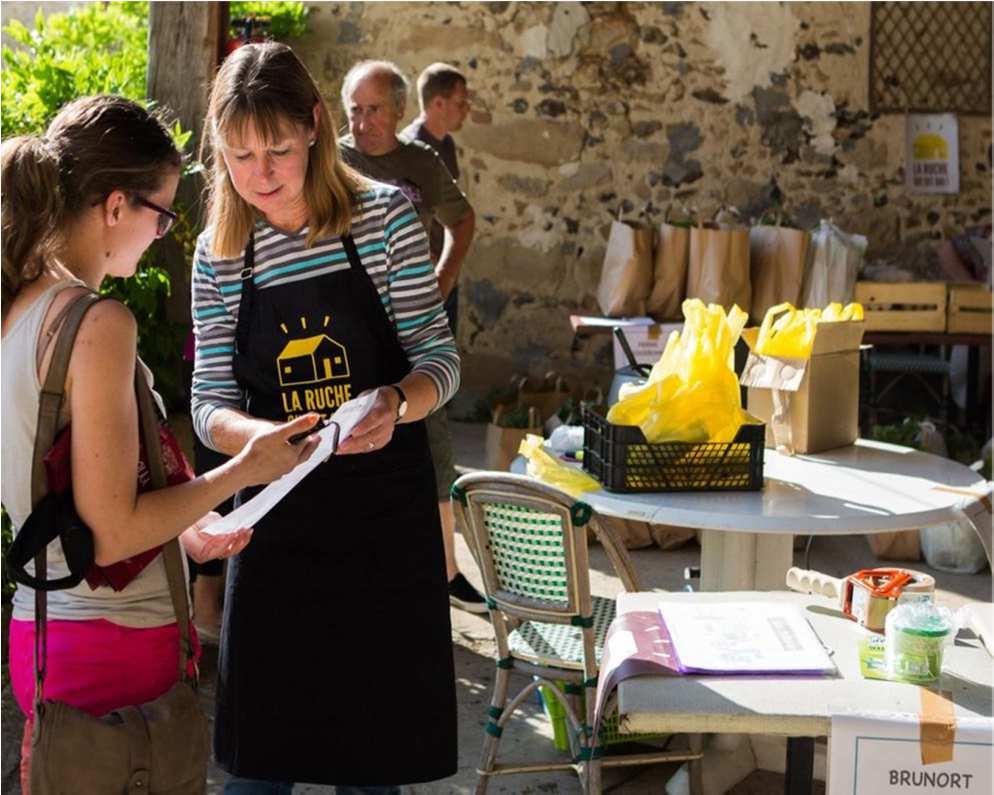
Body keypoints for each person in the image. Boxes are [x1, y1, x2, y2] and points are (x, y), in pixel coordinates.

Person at [0, 95, 317, 792]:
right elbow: (111, 534)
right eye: (163, 214)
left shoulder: (18, 306)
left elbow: (71, 502)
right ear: (115, 206)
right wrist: (243, 470)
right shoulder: (97, 321)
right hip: (115, 644)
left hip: (46, 630)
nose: (163, 235)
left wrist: (186, 530)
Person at [192, 43, 459, 791]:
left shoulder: (385, 220)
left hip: (383, 528)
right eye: (240, 156)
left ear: (315, 126)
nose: (262, 175)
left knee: (373, 769)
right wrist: (260, 441)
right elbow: (208, 401)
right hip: (273, 529)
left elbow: (441, 360)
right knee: (257, 772)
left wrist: (397, 400)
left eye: (277, 149)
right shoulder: (219, 254)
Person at [339, 60, 484, 613]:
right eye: (354, 109)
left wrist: (441, 285)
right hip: (347, 324)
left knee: (433, 440)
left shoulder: (418, 163)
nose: (362, 121)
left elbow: (462, 221)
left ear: (399, 112)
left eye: (374, 109)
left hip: (408, 322)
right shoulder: (330, 160)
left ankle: (445, 570)